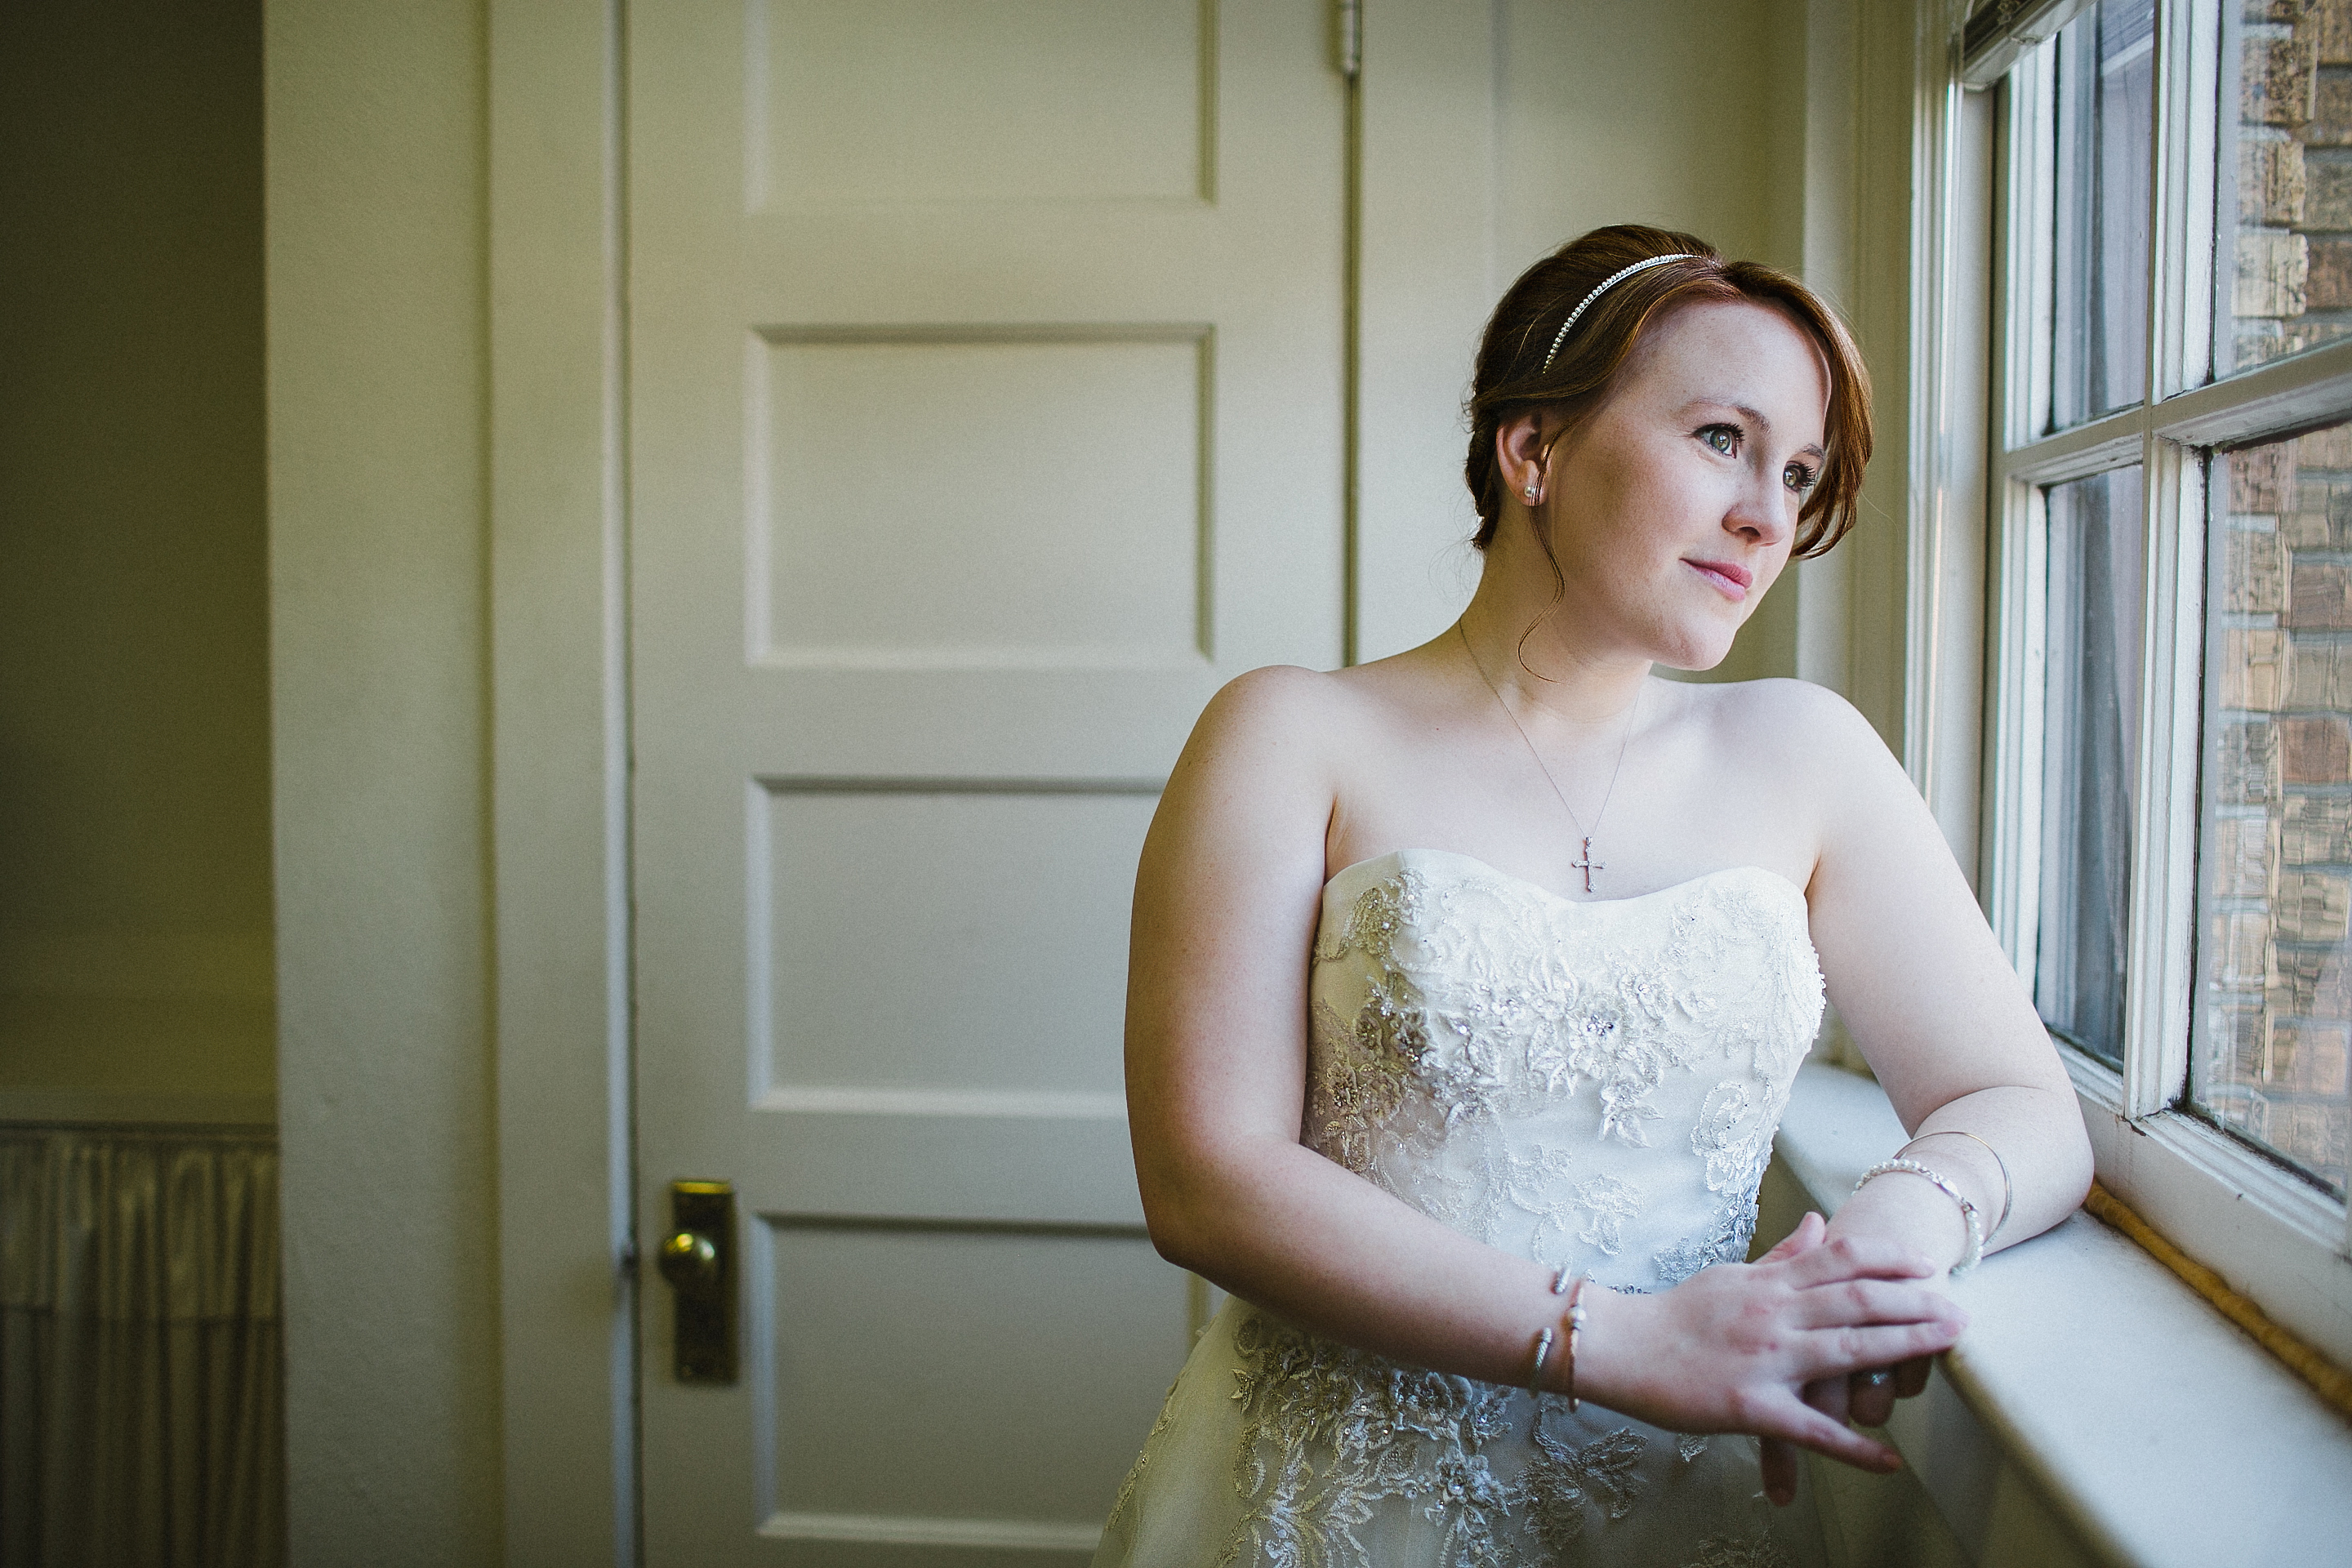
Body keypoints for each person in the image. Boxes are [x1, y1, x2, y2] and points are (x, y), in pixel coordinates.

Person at [1093, 225, 2094, 1567]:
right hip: (1341, 1510)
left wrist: (1902, 1226)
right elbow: (1203, 1177)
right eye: (1722, 440)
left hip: (1700, 1513)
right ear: (1535, 451)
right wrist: (1614, 1341)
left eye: (1797, 475)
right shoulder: (1288, 735)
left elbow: (2026, 1106)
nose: (1766, 515)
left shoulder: (1808, 754)